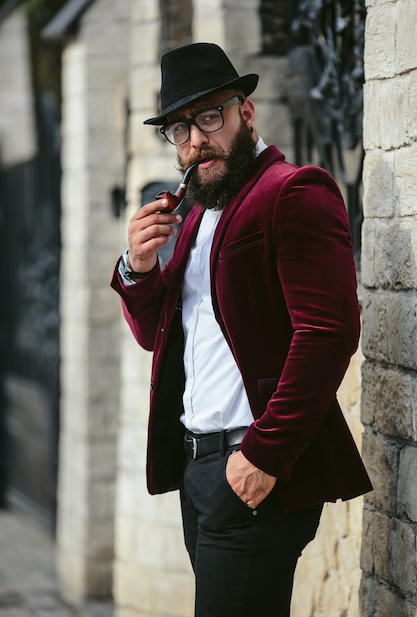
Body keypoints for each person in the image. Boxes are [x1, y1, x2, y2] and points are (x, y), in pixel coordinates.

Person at [111, 42, 372, 617]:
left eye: (209, 117)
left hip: (253, 466)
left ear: (245, 113)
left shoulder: (293, 190)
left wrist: (265, 454)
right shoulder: (199, 214)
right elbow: (160, 337)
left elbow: (327, 332)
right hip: (200, 472)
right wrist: (139, 267)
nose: (194, 140)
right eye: (178, 129)